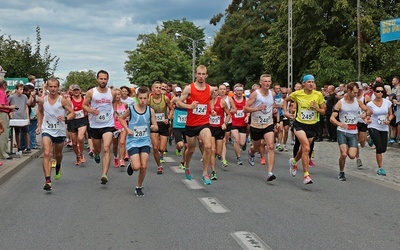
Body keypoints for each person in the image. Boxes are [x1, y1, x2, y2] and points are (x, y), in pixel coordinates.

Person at [283, 75, 326, 184]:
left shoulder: (318, 95)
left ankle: (293, 161)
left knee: (303, 149)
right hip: (299, 124)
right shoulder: (297, 94)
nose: (311, 84)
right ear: (304, 84)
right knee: (306, 148)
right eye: (309, 82)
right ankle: (306, 175)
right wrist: (285, 112)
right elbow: (286, 100)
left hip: (312, 125)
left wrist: (316, 108)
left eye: (313, 82)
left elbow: (323, 111)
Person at [176, 65, 215, 185]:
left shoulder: (210, 89)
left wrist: (211, 109)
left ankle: (205, 173)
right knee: (191, 149)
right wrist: (189, 106)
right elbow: (178, 102)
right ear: (196, 74)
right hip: (191, 124)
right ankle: (187, 166)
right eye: (199, 74)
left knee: (208, 146)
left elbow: (212, 99)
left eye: (204, 74)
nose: (201, 76)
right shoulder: (189, 88)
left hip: (204, 123)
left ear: (206, 75)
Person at [36, 77, 75, 191]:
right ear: (47, 87)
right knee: (47, 153)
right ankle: (47, 180)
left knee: (58, 154)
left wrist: (66, 117)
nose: (53, 89)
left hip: (59, 130)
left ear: (58, 87)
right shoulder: (43, 100)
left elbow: (73, 113)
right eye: (51, 86)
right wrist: (39, 126)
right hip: (47, 129)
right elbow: (39, 111)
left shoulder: (63, 100)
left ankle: (58, 166)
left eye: (55, 87)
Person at [118, 86, 158, 197]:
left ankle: (139, 187)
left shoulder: (151, 111)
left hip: (145, 140)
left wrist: (154, 127)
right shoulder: (131, 109)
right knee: (137, 167)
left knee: (144, 166)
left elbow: (155, 125)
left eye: (145, 98)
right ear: (137, 97)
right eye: (140, 98)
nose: (143, 101)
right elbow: (120, 118)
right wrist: (127, 129)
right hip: (133, 141)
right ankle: (131, 165)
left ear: (148, 98)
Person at [330, 82, 371, 181]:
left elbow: (369, 110)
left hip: (353, 132)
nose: (356, 95)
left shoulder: (358, 102)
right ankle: (341, 172)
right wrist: (340, 124)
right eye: (354, 92)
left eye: (357, 93)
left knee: (352, 156)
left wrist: (365, 116)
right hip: (342, 131)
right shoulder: (341, 103)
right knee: (343, 154)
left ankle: (348, 148)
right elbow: (332, 118)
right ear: (348, 91)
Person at [83, 70, 117, 185]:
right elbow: (84, 105)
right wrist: (91, 110)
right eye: (101, 79)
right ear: (97, 79)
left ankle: (104, 174)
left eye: (105, 79)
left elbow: (114, 103)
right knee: (98, 149)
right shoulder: (91, 92)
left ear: (107, 79)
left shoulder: (112, 93)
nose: (103, 81)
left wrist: (115, 112)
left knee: (107, 148)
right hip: (95, 125)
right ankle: (96, 154)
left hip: (108, 124)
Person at [244, 74, 279, 181]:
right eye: (265, 81)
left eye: (269, 81)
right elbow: (245, 108)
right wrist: (258, 108)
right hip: (256, 125)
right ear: (261, 82)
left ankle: (269, 172)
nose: (267, 83)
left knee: (271, 146)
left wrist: (274, 109)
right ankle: (251, 152)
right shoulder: (255, 94)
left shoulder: (272, 94)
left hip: (268, 123)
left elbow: (272, 105)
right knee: (257, 147)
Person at [365, 82, 394, 176]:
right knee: (379, 148)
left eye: (382, 92)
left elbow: (391, 114)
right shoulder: (370, 104)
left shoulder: (387, 102)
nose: (380, 93)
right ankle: (380, 168)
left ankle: (371, 139)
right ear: (374, 92)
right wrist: (367, 119)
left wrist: (389, 120)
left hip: (384, 127)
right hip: (373, 126)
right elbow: (366, 115)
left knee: (384, 149)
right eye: (378, 91)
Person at [148, 81, 174, 174]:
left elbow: (172, 109)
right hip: (153, 125)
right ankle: (159, 165)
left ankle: (161, 154)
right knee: (155, 147)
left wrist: (169, 118)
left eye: (160, 88)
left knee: (162, 148)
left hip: (164, 124)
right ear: (152, 89)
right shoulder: (149, 100)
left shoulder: (165, 98)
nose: (159, 89)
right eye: (157, 87)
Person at [209, 87, 231, 180]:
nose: (214, 92)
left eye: (216, 91)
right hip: (209, 128)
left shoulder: (222, 102)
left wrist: (224, 123)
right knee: (212, 150)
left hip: (219, 128)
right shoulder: (207, 102)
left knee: (218, 152)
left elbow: (229, 114)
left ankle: (217, 156)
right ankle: (213, 171)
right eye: (213, 91)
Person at [68, 84, 88, 165]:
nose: (76, 91)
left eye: (77, 90)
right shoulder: (69, 100)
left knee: (80, 137)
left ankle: (82, 154)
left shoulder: (84, 99)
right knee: (74, 143)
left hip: (82, 120)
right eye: (74, 90)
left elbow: (89, 107)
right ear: (72, 92)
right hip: (72, 121)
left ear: (80, 90)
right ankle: (77, 156)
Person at [8, 83, 30, 153]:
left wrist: (27, 117)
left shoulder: (25, 97)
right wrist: (10, 112)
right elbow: (8, 105)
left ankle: (28, 146)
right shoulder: (12, 97)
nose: (22, 90)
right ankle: (18, 147)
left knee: (25, 131)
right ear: (16, 89)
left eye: (22, 89)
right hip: (15, 116)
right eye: (20, 89)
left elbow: (26, 106)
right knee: (17, 132)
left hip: (23, 116)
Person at [231, 83, 248, 165]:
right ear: (235, 91)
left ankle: (242, 145)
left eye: (241, 90)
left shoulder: (245, 99)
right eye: (238, 90)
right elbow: (227, 109)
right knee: (236, 140)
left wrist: (247, 116)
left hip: (243, 123)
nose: (239, 92)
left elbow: (248, 110)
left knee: (241, 142)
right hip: (233, 123)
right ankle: (238, 157)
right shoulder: (231, 99)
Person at [171, 86, 188, 169]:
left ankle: (183, 162)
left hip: (187, 125)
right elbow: (169, 105)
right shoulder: (175, 99)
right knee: (180, 145)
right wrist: (172, 112)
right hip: (177, 125)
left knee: (187, 146)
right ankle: (178, 148)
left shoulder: (189, 100)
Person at [112, 88, 128, 168]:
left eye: (118, 94)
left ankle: (121, 160)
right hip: (114, 127)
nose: (117, 96)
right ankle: (116, 157)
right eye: (115, 95)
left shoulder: (124, 104)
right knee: (115, 145)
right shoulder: (111, 106)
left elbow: (127, 115)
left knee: (122, 142)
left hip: (123, 126)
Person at [0, 80, 16, 160]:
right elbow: (1, 105)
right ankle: (3, 153)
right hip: (2, 114)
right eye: (6, 85)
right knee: (3, 134)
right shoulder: (1, 93)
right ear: (3, 85)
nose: (6, 87)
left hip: (3, 113)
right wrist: (10, 107)